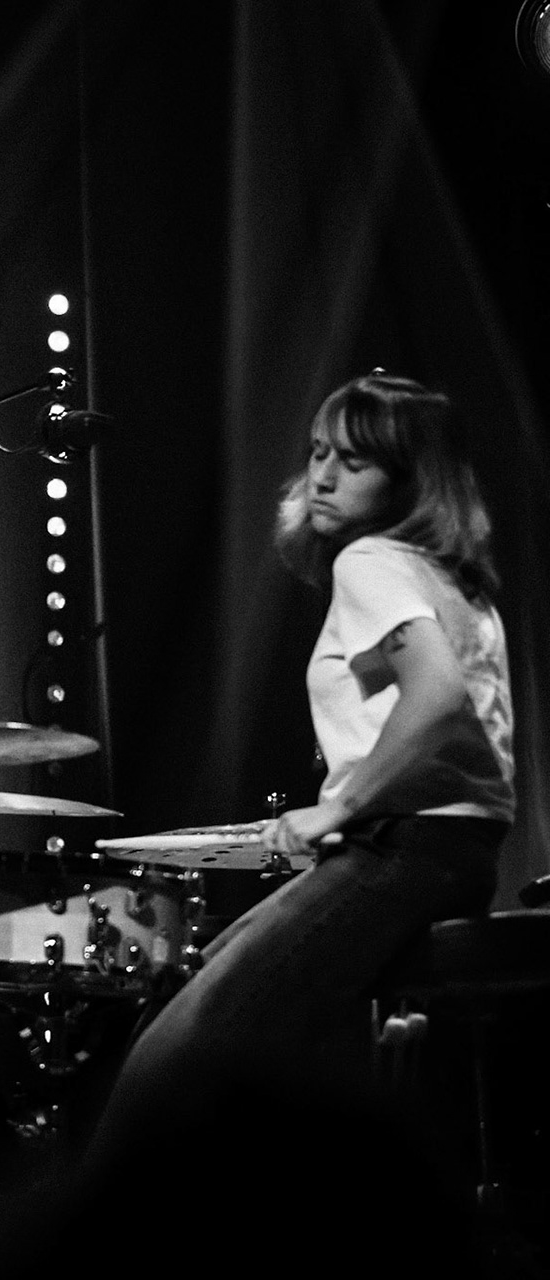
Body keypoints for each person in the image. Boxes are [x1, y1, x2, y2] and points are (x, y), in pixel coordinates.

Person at [83, 372, 513, 1168]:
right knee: (233, 1025)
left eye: (354, 461)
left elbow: (439, 696)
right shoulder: (455, 579)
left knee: (178, 1053)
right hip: (457, 854)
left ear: (408, 478)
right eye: (318, 453)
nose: (322, 475)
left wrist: (338, 807)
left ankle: (107, 1228)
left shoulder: (371, 561)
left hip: (403, 852)